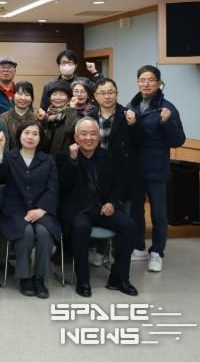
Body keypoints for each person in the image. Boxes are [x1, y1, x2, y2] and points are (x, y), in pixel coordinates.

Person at [57, 118, 138, 298]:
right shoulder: (64, 157)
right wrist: (72, 160)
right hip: (79, 210)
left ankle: (119, 278)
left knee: (129, 226)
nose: (89, 138)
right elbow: (63, 186)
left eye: (93, 134)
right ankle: (83, 280)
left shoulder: (108, 157)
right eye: (84, 134)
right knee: (80, 227)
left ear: (99, 137)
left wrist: (112, 203)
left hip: (103, 208)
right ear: (76, 137)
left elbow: (119, 185)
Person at [127, 65, 185, 272]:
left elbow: (178, 140)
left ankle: (157, 252)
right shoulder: (131, 106)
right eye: (142, 80)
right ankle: (139, 247)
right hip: (135, 169)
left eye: (151, 79)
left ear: (159, 83)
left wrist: (167, 122)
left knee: (158, 214)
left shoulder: (167, 108)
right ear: (137, 83)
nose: (146, 84)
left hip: (157, 168)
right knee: (136, 211)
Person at [0, 121, 60, 298]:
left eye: (35, 134)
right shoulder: (10, 157)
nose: (30, 137)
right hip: (15, 211)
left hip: (41, 210)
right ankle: (24, 277)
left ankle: (40, 278)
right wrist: (0, 150)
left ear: (40, 138)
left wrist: (42, 209)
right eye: (27, 133)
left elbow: (53, 188)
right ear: (19, 136)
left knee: (44, 232)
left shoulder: (48, 160)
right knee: (26, 232)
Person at [88, 77, 137, 267]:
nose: (107, 96)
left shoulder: (128, 115)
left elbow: (139, 142)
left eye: (111, 92)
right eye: (102, 93)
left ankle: (119, 258)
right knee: (102, 212)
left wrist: (133, 125)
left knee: (123, 216)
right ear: (95, 96)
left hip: (124, 173)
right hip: (98, 173)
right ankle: (101, 250)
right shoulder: (90, 117)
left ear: (117, 93)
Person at [38, 80, 79, 156]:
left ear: (69, 98)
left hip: (65, 159)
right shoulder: (46, 115)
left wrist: (72, 108)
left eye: (62, 94)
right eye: (54, 94)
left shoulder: (73, 114)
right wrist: (42, 121)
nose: (57, 98)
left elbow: (70, 129)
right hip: (46, 159)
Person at [0, 81, 38, 150]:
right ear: (13, 96)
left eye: (27, 95)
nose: (23, 98)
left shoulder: (37, 118)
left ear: (31, 98)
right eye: (20, 94)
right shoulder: (3, 118)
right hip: (9, 156)